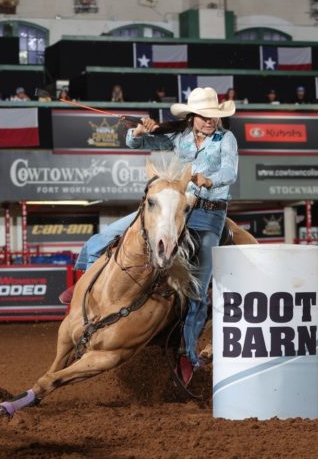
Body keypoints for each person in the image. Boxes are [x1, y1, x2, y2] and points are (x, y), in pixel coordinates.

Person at [60, 87, 238, 372]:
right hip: (173, 208)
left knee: (197, 288)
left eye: (213, 116)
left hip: (207, 215)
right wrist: (140, 131)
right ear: (193, 116)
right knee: (102, 239)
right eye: (204, 116)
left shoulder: (225, 139)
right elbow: (136, 143)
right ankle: (86, 290)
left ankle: (188, 352)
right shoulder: (179, 137)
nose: (209, 121)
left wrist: (208, 179)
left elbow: (230, 171)